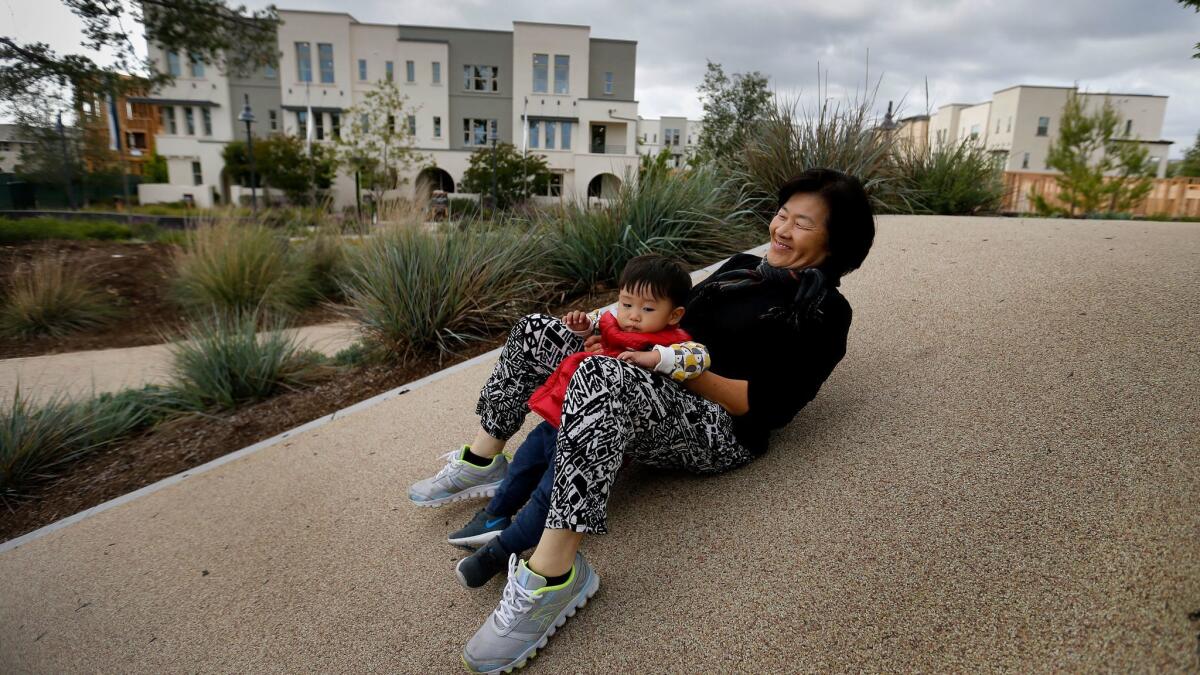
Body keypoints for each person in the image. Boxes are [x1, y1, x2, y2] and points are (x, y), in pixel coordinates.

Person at [412, 168, 876, 673]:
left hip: (718, 427)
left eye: (802, 223)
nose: (781, 229)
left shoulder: (825, 312)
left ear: (837, 241)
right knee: (536, 332)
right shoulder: (744, 267)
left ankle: (553, 577)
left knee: (602, 377)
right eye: (782, 214)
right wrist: (609, 333)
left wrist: (663, 369)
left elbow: (765, 407)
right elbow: (671, 317)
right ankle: (483, 457)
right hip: (649, 371)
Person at [416, 255, 710, 589]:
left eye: (647, 309)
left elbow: (698, 358)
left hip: (592, 436)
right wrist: (583, 327)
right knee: (523, 466)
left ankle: (500, 551)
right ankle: (493, 515)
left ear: (673, 315)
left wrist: (654, 357)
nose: (632, 316)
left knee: (551, 492)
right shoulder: (614, 322)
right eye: (627, 303)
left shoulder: (672, 341)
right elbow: (596, 324)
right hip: (556, 419)